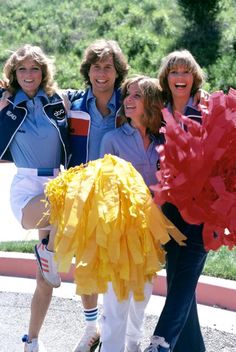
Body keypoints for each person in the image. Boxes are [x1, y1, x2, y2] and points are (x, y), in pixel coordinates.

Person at [0, 44, 83, 352]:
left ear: (44, 71)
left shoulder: (58, 100)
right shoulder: (5, 101)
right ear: (13, 73)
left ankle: (31, 341)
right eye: (22, 69)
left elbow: (95, 94)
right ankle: (46, 250)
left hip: (57, 180)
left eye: (35, 68)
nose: (29, 74)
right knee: (72, 202)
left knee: (44, 279)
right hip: (27, 185)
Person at [143, 50, 208, 352]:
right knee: (178, 278)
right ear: (165, 78)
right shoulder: (158, 110)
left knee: (185, 277)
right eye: (173, 72)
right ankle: (192, 348)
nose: (179, 77)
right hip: (168, 207)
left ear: (194, 77)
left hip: (201, 207)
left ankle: (161, 341)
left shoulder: (206, 109)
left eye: (185, 71)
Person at [68, 39, 129, 352]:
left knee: (119, 263)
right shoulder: (74, 103)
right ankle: (91, 327)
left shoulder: (130, 102)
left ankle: (114, 327)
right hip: (84, 193)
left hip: (121, 196)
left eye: (108, 67)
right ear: (88, 71)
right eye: (96, 67)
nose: (102, 73)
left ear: (118, 72)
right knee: (85, 263)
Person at [98, 75, 164, 352]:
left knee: (142, 295)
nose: (128, 99)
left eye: (137, 95)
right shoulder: (111, 139)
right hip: (120, 229)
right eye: (127, 94)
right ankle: (111, 347)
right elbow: (101, 185)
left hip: (153, 230)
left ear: (150, 102)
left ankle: (133, 344)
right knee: (116, 296)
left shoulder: (165, 139)